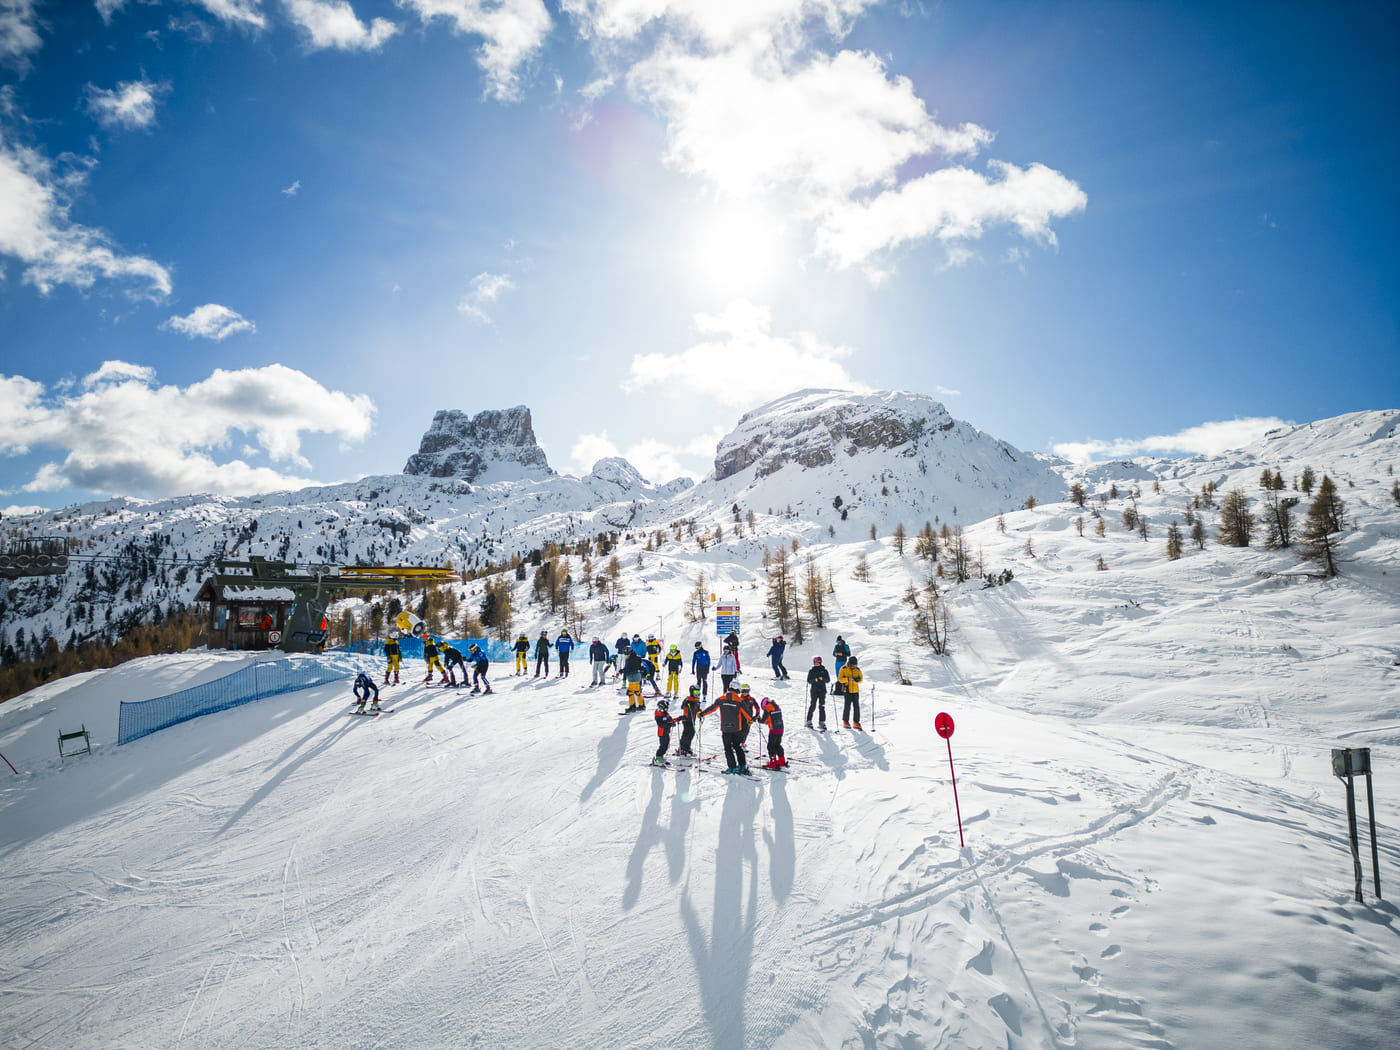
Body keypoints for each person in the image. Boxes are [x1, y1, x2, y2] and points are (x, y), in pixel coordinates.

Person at [700, 683, 752, 774]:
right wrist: (750, 720)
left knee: (728, 748)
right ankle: (742, 766)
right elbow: (747, 714)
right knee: (737, 747)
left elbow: (712, 708)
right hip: (736, 728)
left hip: (725, 728)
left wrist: (701, 714)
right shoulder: (740, 700)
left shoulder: (721, 699)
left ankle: (732, 767)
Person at [757, 698, 786, 769]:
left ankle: (773, 762)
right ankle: (782, 760)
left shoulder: (767, 708)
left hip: (774, 730)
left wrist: (758, 719)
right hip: (781, 728)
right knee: (777, 745)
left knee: (771, 746)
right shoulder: (777, 706)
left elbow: (763, 720)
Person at [839, 654, 864, 729]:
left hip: (855, 690)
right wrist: (847, 679)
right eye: (852, 665)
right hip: (847, 690)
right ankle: (845, 721)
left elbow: (861, 679)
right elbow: (840, 679)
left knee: (856, 707)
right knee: (847, 706)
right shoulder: (843, 669)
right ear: (849, 664)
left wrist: (858, 680)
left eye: (855, 665)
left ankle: (856, 722)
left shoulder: (858, 669)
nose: (854, 667)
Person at [806, 656, 830, 729]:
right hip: (814, 690)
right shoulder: (812, 670)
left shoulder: (824, 670)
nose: (816, 664)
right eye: (815, 663)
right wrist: (814, 680)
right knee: (813, 705)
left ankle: (822, 722)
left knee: (822, 706)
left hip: (822, 690)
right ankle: (809, 720)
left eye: (818, 663)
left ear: (820, 663)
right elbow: (809, 680)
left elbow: (828, 680)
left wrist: (823, 679)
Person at [677, 685, 702, 756]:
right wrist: (687, 703)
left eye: (698, 692)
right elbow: (683, 707)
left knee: (691, 733)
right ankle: (682, 748)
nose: (697, 694)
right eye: (695, 692)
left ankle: (687, 747)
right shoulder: (688, 699)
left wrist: (700, 713)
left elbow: (697, 709)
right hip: (686, 720)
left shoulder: (696, 701)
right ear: (691, 692)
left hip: (692, 720)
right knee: (686, 734)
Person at [652, 699, 677, 765]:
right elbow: (661, 725)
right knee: (662, 746)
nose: (667, 710)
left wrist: (673, 722)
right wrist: (669, 724)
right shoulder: (658, 715)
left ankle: (661, 757)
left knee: (666, 745)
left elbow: (669, 719)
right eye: (665, 708)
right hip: (662, 733)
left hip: (666, 732)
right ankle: (657, 758)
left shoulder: (665, 713)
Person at [623, 646, 646, 711]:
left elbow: (632, 668)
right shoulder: (632, 658)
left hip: (635, 676)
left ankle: (634, 706)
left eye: (626, 653)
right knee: (635, 692)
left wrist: (624, 671)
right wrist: (623, 670)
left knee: (632, 692)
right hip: (632, 676)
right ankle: (640, 705)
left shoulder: (634, 658)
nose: (626, 655)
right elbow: (628, 668)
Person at [737, 683, 759, 749]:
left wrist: (756, 716)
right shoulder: (739, 699)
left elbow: (757, 708)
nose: (744, 693)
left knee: (746, 731)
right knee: (739, 731)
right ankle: (736, 744)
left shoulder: (751, 699)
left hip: (749, 719)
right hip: (740, 718)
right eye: (743, 691)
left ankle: (742, 743)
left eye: (746, 691)